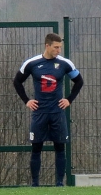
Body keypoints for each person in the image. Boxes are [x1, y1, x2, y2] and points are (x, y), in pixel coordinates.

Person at [13, 33, 84, 187]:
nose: (59, 50)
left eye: (60, 47)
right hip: (40, 112)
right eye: (56, 47)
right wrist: (27, 101)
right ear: (47, 46)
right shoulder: (32, 63)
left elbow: (79, 81)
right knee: (36, 147)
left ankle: (59, 183)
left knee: (60, 146)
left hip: (57, 112)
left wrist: (69, 99)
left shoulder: (65, 64)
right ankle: (35, 184)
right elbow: (17, 81)